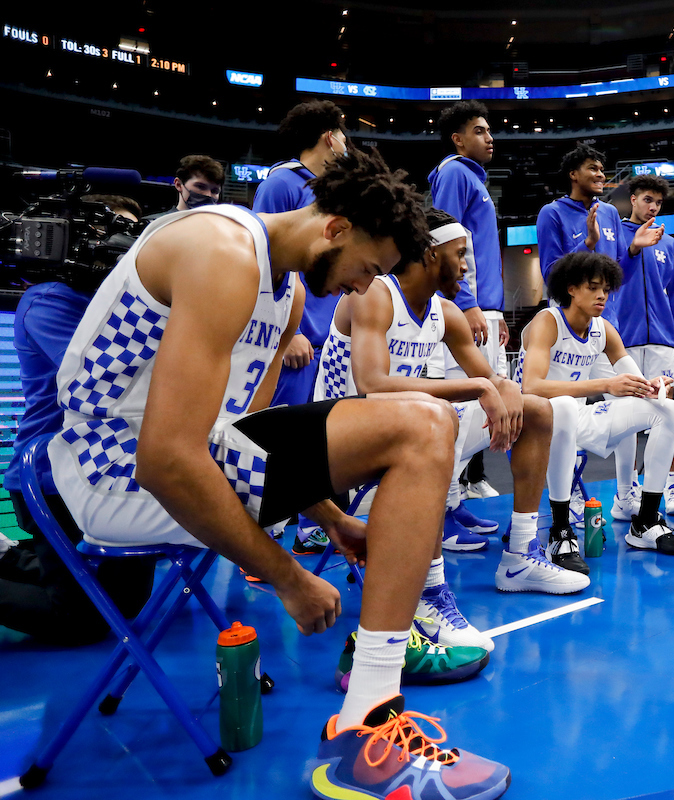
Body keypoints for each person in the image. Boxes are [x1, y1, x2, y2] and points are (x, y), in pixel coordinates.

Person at [47, 148, 511, 798]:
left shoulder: (286, 293)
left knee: (423, 421)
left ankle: (371, 718)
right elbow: (165, 460)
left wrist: (332, 518)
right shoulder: (222, 250)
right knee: (418, 421)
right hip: (111, 473)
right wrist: (290, 575)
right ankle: (371, 723)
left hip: (184, 460)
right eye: (367, 269)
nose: (360, 287)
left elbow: (246, 438)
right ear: (335, 228)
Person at [315, 208, 586, 601]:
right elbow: (371, 385)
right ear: (430, 253)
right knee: (436, 415)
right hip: (338, 433)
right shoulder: (375, 293)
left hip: (403, 425)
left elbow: (493, 381)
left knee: (537, 410)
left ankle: (520, 555)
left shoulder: (445, 313)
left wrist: (505, 387)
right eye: (459, 254)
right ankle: (430, 589)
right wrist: (479, 387)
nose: (465, 267)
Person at [0, 194, 153, 645]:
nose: (123, 246)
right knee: (82, 620)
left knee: (125, 601)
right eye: (111, 234)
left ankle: (16, 558)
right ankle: (29, 560)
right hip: (49, 479)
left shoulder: (121, 301)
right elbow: (111, 383)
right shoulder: (49, 299)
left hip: (107, 468)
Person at [519, 251, 674, 563]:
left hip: (576, 418)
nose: (602, 296)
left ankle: (646, 522)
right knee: (565, 408)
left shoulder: (603, 329)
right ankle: (560, 532)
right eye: (593, 288)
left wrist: (655, 386)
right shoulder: (548, 322)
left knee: (665, 410)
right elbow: (531, 387)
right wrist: (604, 385)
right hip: (533, 423)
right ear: (571, 289)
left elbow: (638, 386)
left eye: (606, 289)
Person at [253, 99, 351, 557]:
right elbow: (264, 252)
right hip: (293, 337)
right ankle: (263, 538)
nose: (348, 142)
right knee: (278, 436)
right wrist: (283, 332)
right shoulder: (280, 181)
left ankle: (310, 526)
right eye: (345, 134)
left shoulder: (332, 189)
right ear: (330, 136)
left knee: (313, 439)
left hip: (325, 339)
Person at [429, 100, 507, 503]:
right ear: (458, 139)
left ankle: (460, 490)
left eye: (490, 130)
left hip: (484, 308)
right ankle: (445, 503)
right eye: (479, 131)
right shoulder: (455, 172)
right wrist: (467, 303)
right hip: (466, 307)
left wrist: (494, 310)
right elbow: (445, 244)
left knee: (481, 405)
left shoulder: (473, 178)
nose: (489, 137)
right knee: (465, 404)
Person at [609, 173, 674, 517]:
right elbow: (611, 279)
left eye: (657, 202)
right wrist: (632, 248)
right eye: (646, 200)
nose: (652, 207)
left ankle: (669, 482)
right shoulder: (615, 238)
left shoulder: (668, 244)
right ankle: (624, 490)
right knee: (625, 416)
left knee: (666, 410)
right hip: (622, 342)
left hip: (661, 342)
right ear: (632, 199)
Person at [535, 143, 662, 316]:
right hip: (568, 319)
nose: (601, 175)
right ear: (573, 174)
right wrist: (588, 243)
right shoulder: (551, 213)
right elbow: (552, 275)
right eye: (593, 169)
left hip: (607, 319)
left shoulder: (610, 212)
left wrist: (634, 249)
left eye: (602, 170)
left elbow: (620, 277)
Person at [143, 156, 223, 220]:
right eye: (200, 187)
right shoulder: (154, 225)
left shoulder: (224, 229)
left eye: (214, 191)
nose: (208, 195)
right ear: (178, 184)